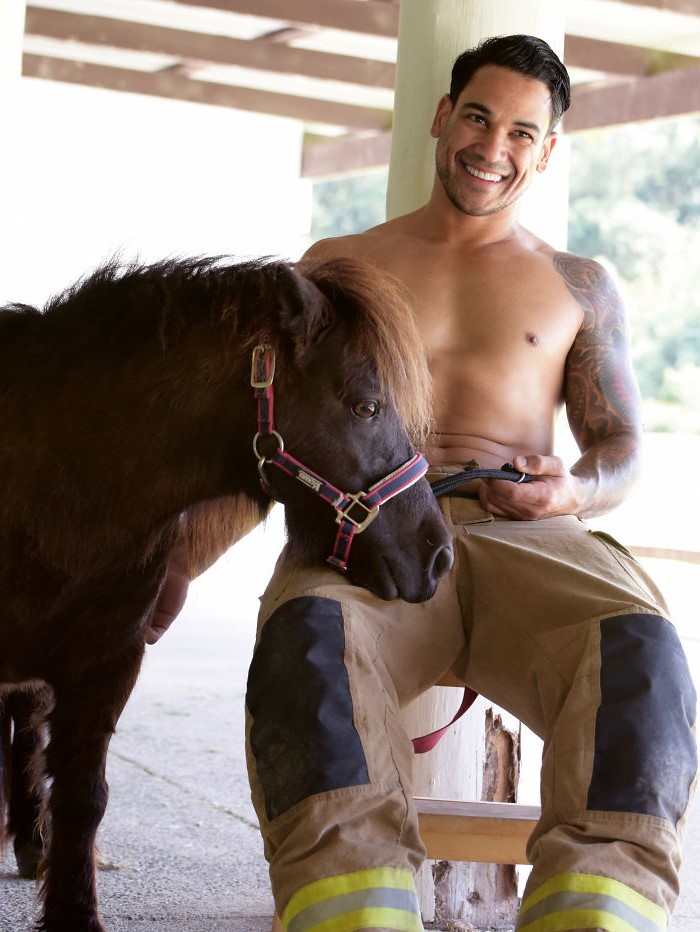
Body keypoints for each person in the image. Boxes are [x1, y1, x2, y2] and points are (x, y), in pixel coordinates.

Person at [241, 35, 697, 932]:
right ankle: (355, 915)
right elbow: (276, 423)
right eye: (479, 118)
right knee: (305, 644)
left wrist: (570, 493)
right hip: (369, 529)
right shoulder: (335, 264)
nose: (495, 149)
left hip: (529, 531)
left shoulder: (580, 285)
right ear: (442, 119)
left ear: (549, 149)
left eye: (524, 132)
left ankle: (593, 914)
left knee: (645, 651)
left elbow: (624, 445)